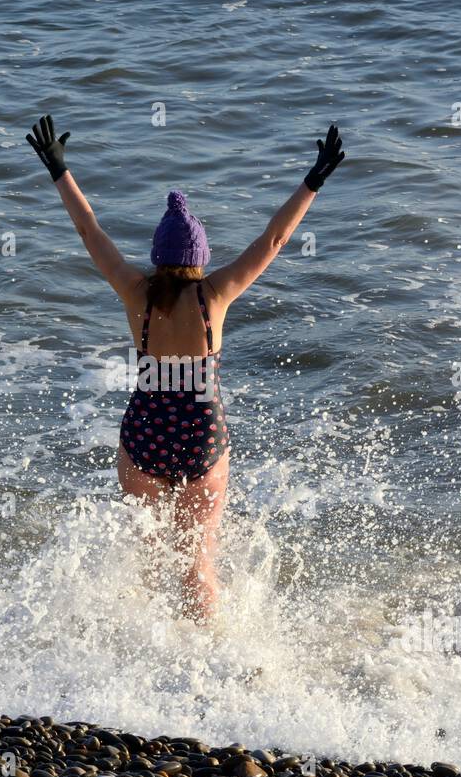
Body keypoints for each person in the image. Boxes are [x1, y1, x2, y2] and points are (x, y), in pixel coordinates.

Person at [26, 115, 345, 622]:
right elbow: (274, 241)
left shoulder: (136, 294)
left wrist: (59, 169)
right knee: (198, 561)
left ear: (156, 256)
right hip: (201, 436)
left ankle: (147, 650)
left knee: (151, 556)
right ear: (200, 257)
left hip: (146, 434)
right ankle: (206, 657)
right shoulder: (213, 296)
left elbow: (90, 231)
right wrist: (315, 178)